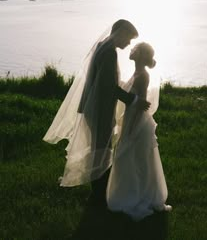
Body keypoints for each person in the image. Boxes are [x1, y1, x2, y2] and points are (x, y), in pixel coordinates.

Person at [43, 19, 150, 205]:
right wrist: (133, 100)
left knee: (98, 147)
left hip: (94, 106)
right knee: (102, 150)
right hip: (100, 107)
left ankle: (100, 191)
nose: (129, 44)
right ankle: (99, 195)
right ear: (121, 32)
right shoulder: (109, 52)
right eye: (129, 39)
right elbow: (108, 86)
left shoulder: (103, 46)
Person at [106, 42, 172, 221]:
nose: (132, 50)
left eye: (137, 50)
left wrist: (132, 129)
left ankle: (137, 195)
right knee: (133, 159)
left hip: (137, 122)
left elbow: (141, 103)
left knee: (135, 159)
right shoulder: (136, 73)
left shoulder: (142, 76)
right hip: (131, 119)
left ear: (142, 56)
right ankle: (132, 191)